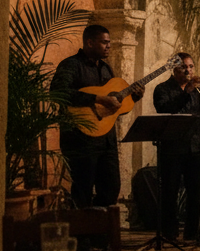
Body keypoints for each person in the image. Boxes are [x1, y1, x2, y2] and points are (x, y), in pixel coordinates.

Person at [53, 24, 144, 208]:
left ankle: (100, 233)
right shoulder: (71, 65)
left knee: (111, 190)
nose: (109, 46)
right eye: (104, 42)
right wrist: (97, 98)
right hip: (80, 140)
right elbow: (58, 92)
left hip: (107, 141)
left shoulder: (106, 69)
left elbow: (115, 107)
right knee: (82, 192)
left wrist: (133, 96)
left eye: (109, 42)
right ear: (89, 42)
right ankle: (83, 234)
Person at [152, 52, 200, 244]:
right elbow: (165, 109)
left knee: (196, 193)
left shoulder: (198, 91)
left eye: (191, 67)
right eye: (184, 67)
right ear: (174, 69)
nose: (188, 70)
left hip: (195, 148)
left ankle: (192, 232)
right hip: (172, 149)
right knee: (169, 192)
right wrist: (186, 93)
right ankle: (169, 233)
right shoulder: (162, 89)